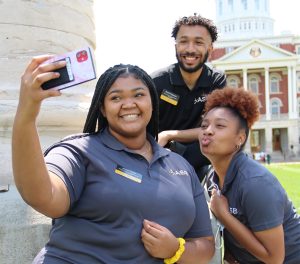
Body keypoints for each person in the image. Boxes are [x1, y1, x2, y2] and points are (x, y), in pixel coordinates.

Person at [12, 56, 215, 263]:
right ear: (102, 108)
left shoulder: (180, 165)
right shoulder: (78, 151)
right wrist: (27, 115)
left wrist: (175, 249)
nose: (128, 104)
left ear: (152, 102)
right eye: (116, 98)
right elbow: (43, 197)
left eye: (138, 95)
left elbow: (206, 245)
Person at [198, 87, 300, 264]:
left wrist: (224, 215)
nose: (208, 131)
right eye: (204, 125)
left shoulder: (255, 183)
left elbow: (274, 258)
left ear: (240, 138)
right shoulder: (210, 178)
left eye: (220, 125)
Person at [151, 14, 226, 182]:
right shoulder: (156, 82)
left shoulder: (216, 80)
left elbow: (218, 128)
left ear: (210, 48)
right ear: (176, 46)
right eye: (184, 41)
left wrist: (170, 134)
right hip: (161, 155)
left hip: (198, 154)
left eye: (199, 42)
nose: (190, 49)